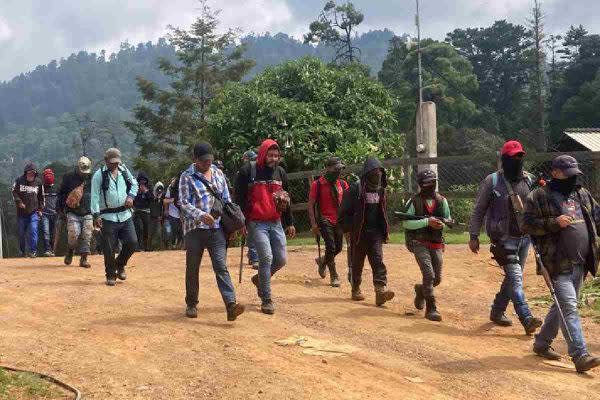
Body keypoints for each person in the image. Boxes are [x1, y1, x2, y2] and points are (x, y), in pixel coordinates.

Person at [524, 155, 600, 373]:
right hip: (557, 263)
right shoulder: (538, 196)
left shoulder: (581, 193)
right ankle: (580, 355)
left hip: (582, 262)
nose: (572, 179)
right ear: (555, 173)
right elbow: (527, 226)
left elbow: (597, 218)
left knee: (562, 306)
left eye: (575, 175)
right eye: (568, 175)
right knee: (568, 307)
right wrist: (553, 223)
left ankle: (541, 343)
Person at [469, 140, 542, 335]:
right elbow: (479, 210)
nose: (518, 160)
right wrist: (473, 235)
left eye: (520, 156)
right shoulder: (492, 181)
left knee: (511, 278)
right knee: (516, 278)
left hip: (525, 237)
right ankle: (526, 318)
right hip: (503, 239)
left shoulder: (529, 180)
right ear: (504, 159)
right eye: (513, 157)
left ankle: (497, 310)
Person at [179, 142, 245, 321]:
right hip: (195, 229)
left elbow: (225, 198)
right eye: (204, 161)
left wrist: (231, 221)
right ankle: (191, 303)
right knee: (193, 267)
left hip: (216, 229)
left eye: (210, 160)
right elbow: (184, 203)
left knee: (221, 266)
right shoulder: (186, 177)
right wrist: (201, 215)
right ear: (195, 159)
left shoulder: (218, 173)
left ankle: (231, 304)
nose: (208, 163)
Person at [235, 139, 296, 315]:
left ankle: (259, 280)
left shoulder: (281, 173)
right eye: (270, 155)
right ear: (263, 154)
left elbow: (286, 199)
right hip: (256, 222)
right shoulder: (248, 171)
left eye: (276, 155)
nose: (274, 159)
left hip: (276, 222)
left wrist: (289, 222)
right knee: (266, 257)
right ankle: (266, 299)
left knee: (281, 259)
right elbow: (238, 199)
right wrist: (241, 223)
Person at [339, 156, 395, 306]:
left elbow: (382, 211)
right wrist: (347, 229)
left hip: (375, 232)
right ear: (367, 174)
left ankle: (380, 291)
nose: (377, 176)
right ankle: (355, 287)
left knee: (378, 260)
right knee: (357, 263)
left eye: (380, 173)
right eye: (374, 173)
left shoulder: (381, 190)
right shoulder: (355, 190)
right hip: (358, 232)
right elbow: (344, 212)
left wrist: (385, 232)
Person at [403, 169, 450, 322]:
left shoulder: (442, 200)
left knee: (436, 279)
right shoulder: (414, 201)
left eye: (432, 182)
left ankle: (421, 290)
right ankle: (431, 308)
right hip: (419, 242)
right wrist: (426, 222)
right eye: (427, 183)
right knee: (428, 274)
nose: (430, 185)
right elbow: (406, 223)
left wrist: (440, 224)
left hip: (436, 242)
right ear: (420, 185)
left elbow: (447, 220)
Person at [91, 148, 139, 286]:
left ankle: (120, 264)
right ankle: (110, 274)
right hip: (108, 216)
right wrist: (96, 214)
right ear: (106, 161)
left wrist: (131, 196)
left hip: (125, 214)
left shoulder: (123, 170)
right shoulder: (99, 175)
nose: (114, 165)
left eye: (117, 162)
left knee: (132, 242)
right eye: (112, 163)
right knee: (109, 247)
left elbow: (134, 184)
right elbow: (94, 196)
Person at [308, 156, 349, 288]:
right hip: (325, 220)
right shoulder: (318, 184)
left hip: (340, 220)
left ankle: (323, 260)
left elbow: (348, 203)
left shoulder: (342, 184)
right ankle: (334, 274)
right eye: (335, 169)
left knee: (338, 248)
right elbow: (311, 205)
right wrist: (314, 224)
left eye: (340, 169)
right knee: (331, 247)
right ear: (328, 168)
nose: (338, 172)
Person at [57, 157, 94, 268]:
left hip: (88, 211)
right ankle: (70, 250)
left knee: (87, 235)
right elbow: (61, 193)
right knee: (73, 234)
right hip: (72, 211)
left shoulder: (92, 178)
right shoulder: (68, 177)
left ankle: (84, 259)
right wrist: (62, 207)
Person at [12, 162, 44, 258]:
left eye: (33, 173)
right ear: (25, 173)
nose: (31, 175)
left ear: (35, 173)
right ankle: (22, 252)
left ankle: (33, 251)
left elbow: (41, 197)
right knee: (21, 233)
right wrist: (19, 202)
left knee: (33, 230)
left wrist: (40, 209)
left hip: (34, 212)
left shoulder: (38, 183)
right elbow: (14, 192)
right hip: (21, 213)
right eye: (29, 173)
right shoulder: (19, 181)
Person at [241, 150, 259, 269]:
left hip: (256, 205)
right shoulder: (245, 172)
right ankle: (254, 257)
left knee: (253, 231)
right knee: (252, 231)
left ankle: (253, 255)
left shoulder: (258, 170)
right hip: (249, 206)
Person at [133, 172, 154, 252]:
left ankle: (147, 247)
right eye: (140, 180)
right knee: (139, 229)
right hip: (138, 212)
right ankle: (138, 246)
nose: (142, 182)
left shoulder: (149, 188)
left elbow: (152, 199)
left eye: (144, 180)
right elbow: (133, 199)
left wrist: (145, 191)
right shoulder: (135, 188)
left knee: (147, 230)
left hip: (147, 212)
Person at [41, 168, 58, 257]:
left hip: (55, 214)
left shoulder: (56, 188)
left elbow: (59, 200)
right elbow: (39, 200)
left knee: (53, 232)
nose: (48, 177)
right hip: (45, 214)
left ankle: (52, 250)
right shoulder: (41, 188)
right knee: (46, 231)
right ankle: (47, 249)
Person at [163, 177, 183, 250]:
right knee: (173, 231)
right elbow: (165, 200)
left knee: (181, 231)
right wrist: (166, 209)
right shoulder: (170, 188)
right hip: (173, 213)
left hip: (183, 213)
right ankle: (172, 245)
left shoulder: (184, 186)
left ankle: (179, 246)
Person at [149, 181, 165, 250]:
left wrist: (161, 215)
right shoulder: (150, 195)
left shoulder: (162, 197)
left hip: (158, 218)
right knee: (150, 234)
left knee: (158, 233)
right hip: (150, 217)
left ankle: (158, 248)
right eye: (158, 190)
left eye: (161, 190)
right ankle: (148, 248)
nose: (159, 191)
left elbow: (163, 207)